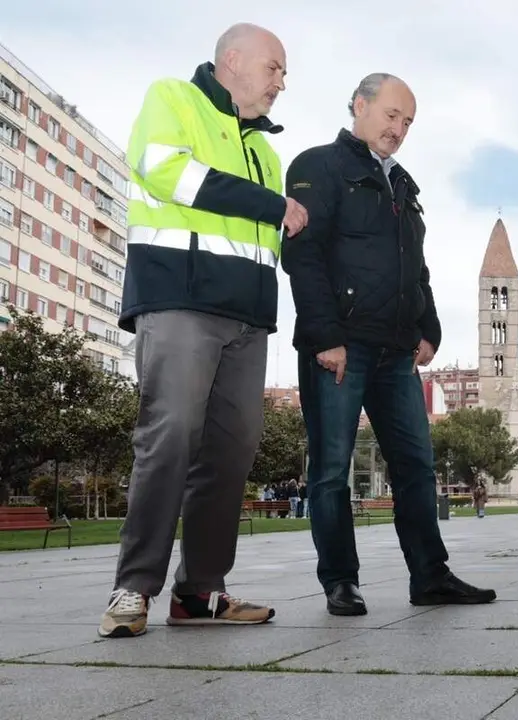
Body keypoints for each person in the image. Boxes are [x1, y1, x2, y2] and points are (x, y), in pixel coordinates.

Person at [98, 23, 309, 639]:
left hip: (247, 320)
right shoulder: (174, 99)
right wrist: (273, 206)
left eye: (284, 73)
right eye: (274, 68)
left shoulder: (267, 154)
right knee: (171, 435)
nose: (280, 82)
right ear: (233, 60)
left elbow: (277, 240)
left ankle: (200, 592)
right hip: (181, 300)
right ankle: (132, 589)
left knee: (233, 451)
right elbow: (167, 172)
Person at [281, 72, 497, 616]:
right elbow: (303, 258)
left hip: (396, 352)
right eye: (391, 115)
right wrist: (325, 336)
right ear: (359, 104)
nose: (399, 129)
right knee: (331, 469)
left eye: (408, 122)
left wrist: (430, 328)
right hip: (340, 350)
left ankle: (431, 576)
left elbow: (415, 269)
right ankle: (340, 581)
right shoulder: (317, 166)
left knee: (417, 469)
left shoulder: (404, 184)